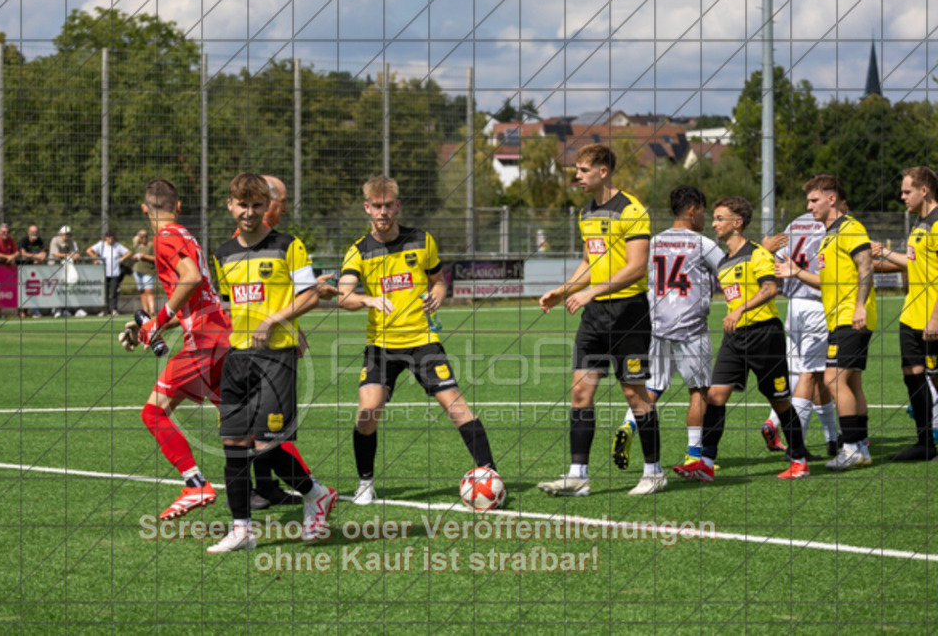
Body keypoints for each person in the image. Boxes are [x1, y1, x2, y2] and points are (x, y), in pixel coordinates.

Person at [337, 175, 498, 505]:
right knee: (367, 414)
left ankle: (491, 477)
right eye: (376, 206)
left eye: (388, 205)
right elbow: (344, 295)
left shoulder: (422, 241)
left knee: (456, 407)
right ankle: (365, 483)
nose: (383, 212)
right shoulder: (358, 251)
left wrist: (438, 294)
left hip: (423, 341)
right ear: (367, 208)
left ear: (397, 205)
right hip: (381, 346)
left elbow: (438, 280)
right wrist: (368, 300)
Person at [206, 172, 336, 552]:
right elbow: (232, 304)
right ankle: (242, 529)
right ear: (230, 205)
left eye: (257, 206)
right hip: (238, 356)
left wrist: (276, 320)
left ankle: (315, 494)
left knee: (266, 444)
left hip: (276, 356)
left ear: (267, 207)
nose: (249, 213)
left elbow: (310, 295)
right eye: (242, 205)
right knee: (233, 443)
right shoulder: (223, 255)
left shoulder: (287, 245)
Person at [536, 143, 665, 497]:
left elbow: (636, 266)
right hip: (595, 317)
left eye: (582, 169)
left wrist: (592, 291)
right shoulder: (587, 213)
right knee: (580, 393)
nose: (576, 176)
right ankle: (578, 476)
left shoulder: (632, 209)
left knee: (634, 395)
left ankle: (654, 471)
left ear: (603, 171)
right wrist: (562, 290)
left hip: (628, 314)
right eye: (576, 169)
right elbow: (588, 265)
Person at [675, 196, 810, 481]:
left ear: (737, 223)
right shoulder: (723, 261)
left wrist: (739, 310)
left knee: (780, 400)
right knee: (715, 396)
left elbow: (770, 289)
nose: (713, 223)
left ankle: (799, 460)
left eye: (719, 218)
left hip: (765, 335)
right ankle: (706, 464)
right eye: (712, 218)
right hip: (735, 339)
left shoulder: (757, 254)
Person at [117, 178, 230, 521]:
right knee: (240, 426)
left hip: (204, 341)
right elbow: (191, 292)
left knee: (153, 413)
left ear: (143, 209)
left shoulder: (164, 237)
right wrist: (148, 325)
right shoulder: (184, 235)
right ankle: (313, 490)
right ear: (178, 207)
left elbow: (191, 277)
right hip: (220, 332)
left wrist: (158, 319)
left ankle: (195, 484)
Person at [618, 185, 724, 473]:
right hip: (691, 328)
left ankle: (629, 424)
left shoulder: (653, 243)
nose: (705, 218)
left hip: (658, 326)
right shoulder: (703, 244)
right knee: (699, 390)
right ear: (692, 210)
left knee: (652, 387)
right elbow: (728, 274)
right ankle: (693, 455)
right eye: (703, 212)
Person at [776, 175, 876, 471]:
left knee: (833, 378)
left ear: (832, 199)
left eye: (814, 200)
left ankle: (849, 448)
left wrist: (859, 306)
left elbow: (866, 265)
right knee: (852, 382)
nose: (809, 206)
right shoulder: (828, 236)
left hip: (850, 316)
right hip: (840, 317)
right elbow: (825, 281)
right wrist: (796, 272)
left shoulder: (850, 228)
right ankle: (860, 447)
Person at [872, 166, 938, 461]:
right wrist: (882, 253)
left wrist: (936, 317)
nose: (901, 196)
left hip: (932, 317)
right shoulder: (920, 224)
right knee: (912, 376)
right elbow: (913, 263)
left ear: (924, 190)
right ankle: (924, 443)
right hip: (911, 315)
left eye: (906, 191)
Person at [773, 211, 838, 460]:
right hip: (817, 303)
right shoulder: (831, 226)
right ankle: (795, 446)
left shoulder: (795, 222)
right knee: (809, 374)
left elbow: (779, 259)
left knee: (818, 375)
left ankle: (832, 438)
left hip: (794, 304)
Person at [87, 231, 131, 316]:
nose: (111, 239)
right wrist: (96, 258)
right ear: (106, 238)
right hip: (104, 273)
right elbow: (89, 250)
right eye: (109, 237)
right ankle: (104, 310)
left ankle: (114, 309)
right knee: (104, 292)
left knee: (114, 292)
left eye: (112, 237)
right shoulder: (101, 245)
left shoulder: (117, 245)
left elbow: (128, 252)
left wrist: (122, 259)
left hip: (114, 273)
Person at [19, 225, 48, 318]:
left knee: (34, 291)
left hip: (36, 270)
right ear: (28, 232)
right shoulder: (24, 241)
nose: (34, 234)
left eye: (36, 232)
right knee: (24, 291)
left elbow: (43, 252)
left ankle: (34, 311)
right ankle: (22, 311)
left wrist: (42, 257)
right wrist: (35, 256)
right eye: (32, 232)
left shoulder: (39, 240)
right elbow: (22, 253)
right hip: (24, 269)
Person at [130, 230, 157, 315]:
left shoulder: (152, 245)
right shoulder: (137, 247)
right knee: (142, 291)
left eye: (145, 236)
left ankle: (152, 310)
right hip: (137, 271)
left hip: (148, 271)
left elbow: (156, 258)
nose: (143, 238)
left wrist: (144, 256)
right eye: (141, 236)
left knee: (148, 290)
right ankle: (145, 310)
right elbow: (134, 258)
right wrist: (134, 257)